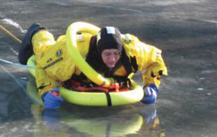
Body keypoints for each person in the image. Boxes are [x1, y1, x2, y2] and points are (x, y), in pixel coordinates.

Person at [18, 23, 167, 109]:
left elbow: (155, 59)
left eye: (116, 53)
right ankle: (38, 31)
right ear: (99, 51)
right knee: (44, 51)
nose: (112, 59)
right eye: (107, 54)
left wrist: (152, 84)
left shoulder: (133, 51)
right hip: (65, 50)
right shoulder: (75, 54)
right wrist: (46, 91)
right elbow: (44, 68)